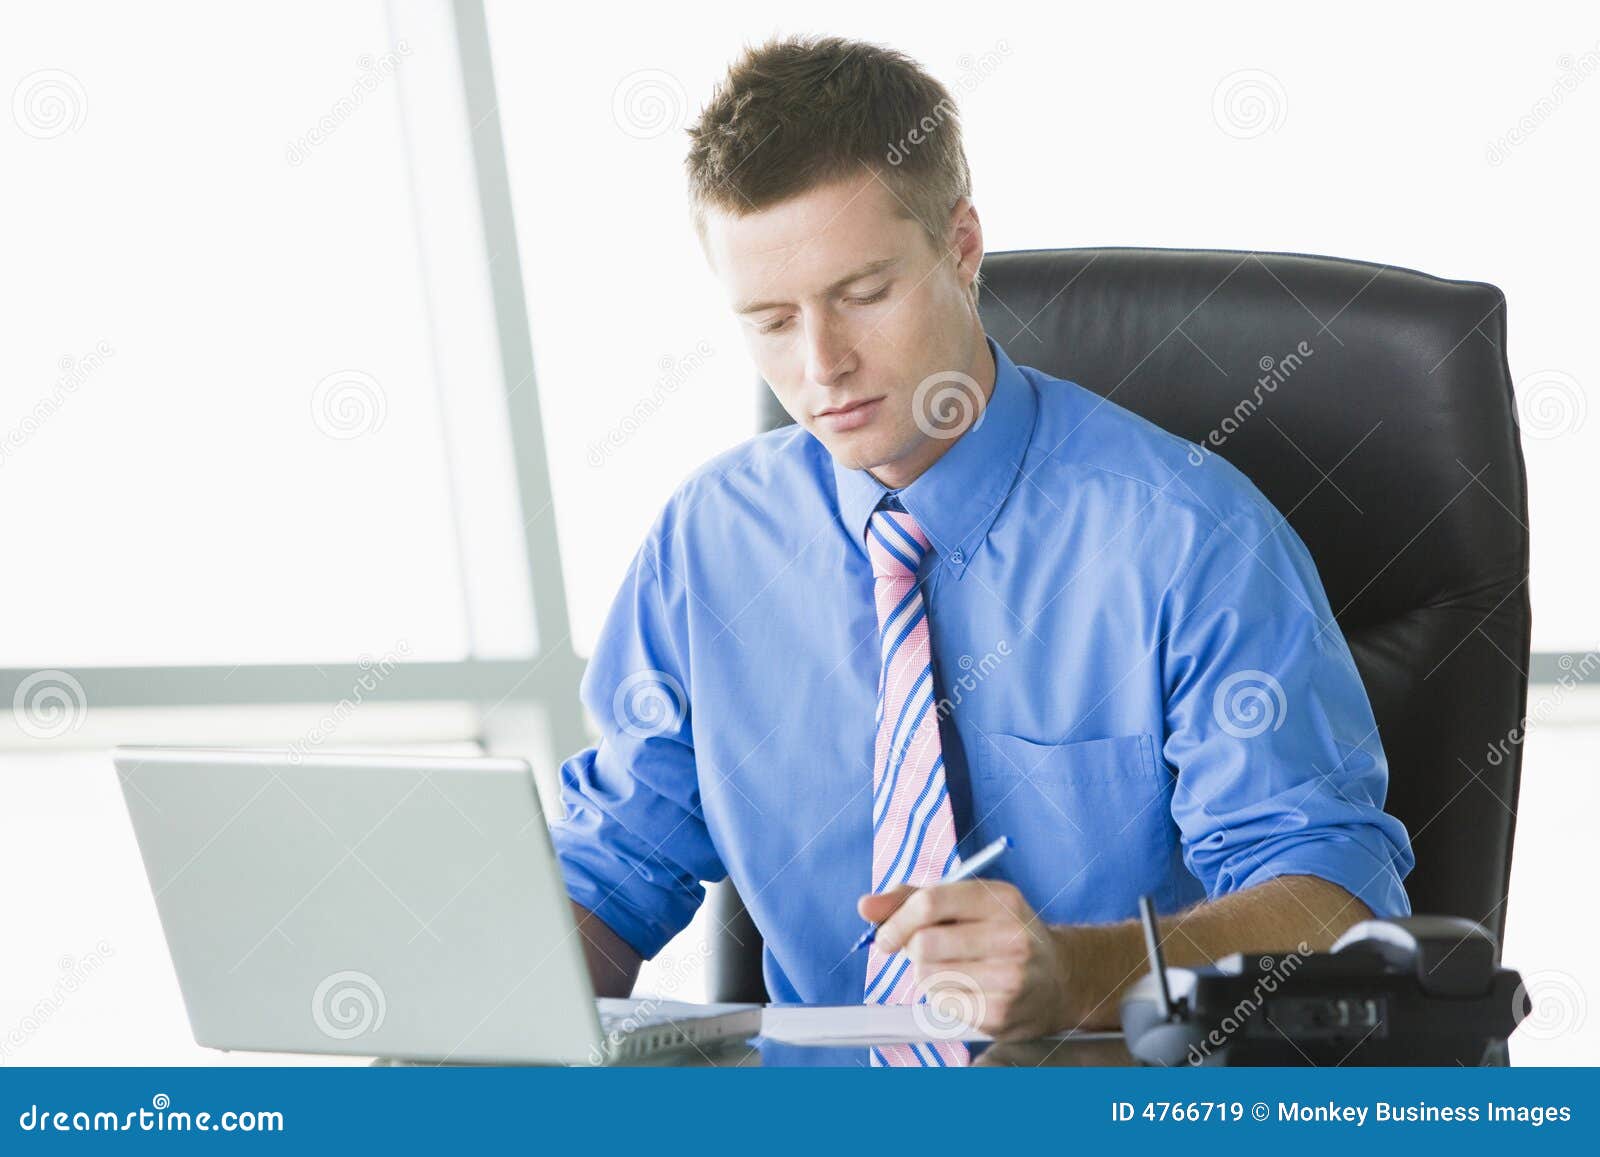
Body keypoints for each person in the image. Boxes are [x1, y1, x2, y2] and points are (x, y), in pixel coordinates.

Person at [552, 34, 1413, 1066]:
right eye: (770, 320)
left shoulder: (1185, 536)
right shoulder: (709, 544)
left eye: (862, 293)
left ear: (960, 248)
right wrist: (474, 999)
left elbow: (1340, 909)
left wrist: (1081, 969)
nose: (820, 364)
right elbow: (611, 870)